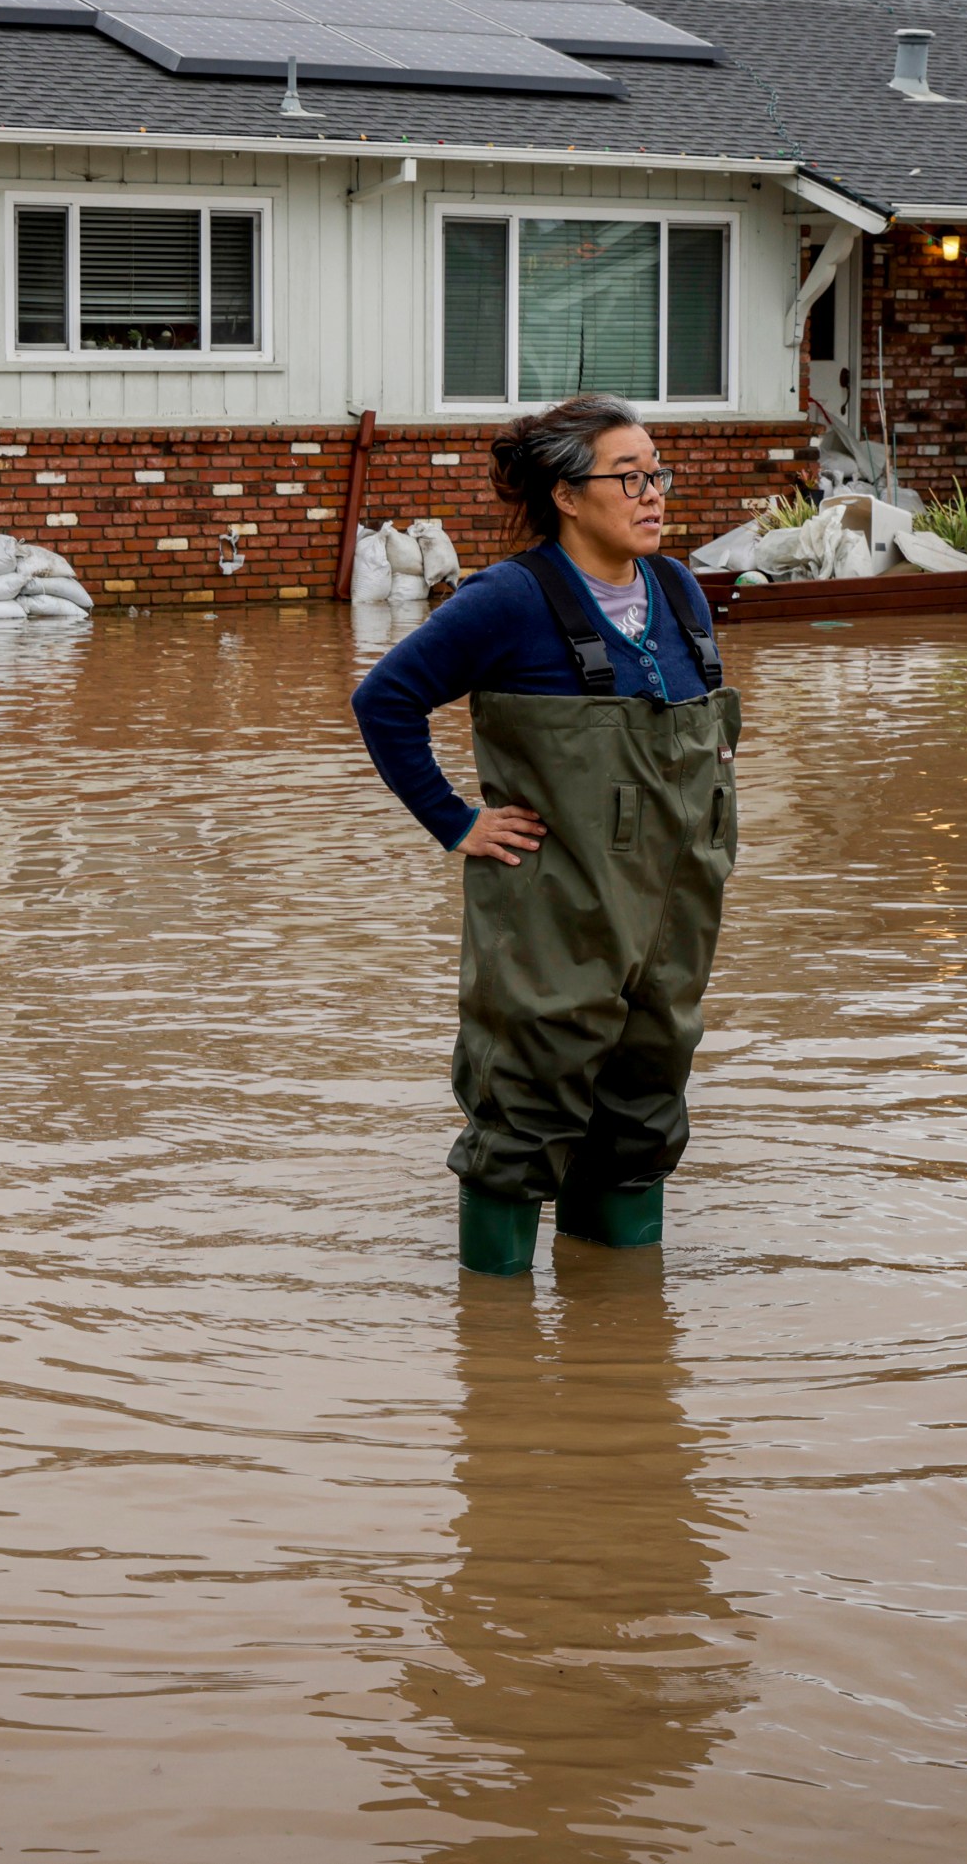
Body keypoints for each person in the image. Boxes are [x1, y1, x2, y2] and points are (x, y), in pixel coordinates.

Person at [350, 394, 743, 1277]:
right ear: (566, 495)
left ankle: (617, 1328)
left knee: (645, 1104)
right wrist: (457, 822)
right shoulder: (509, 600)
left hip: (672, 914)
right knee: (524, 1108)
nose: (652, 494)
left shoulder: (678, 590)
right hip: (550, 912)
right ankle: (496, 1344)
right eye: (628, 476)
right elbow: (384, 702)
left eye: (657, 473)